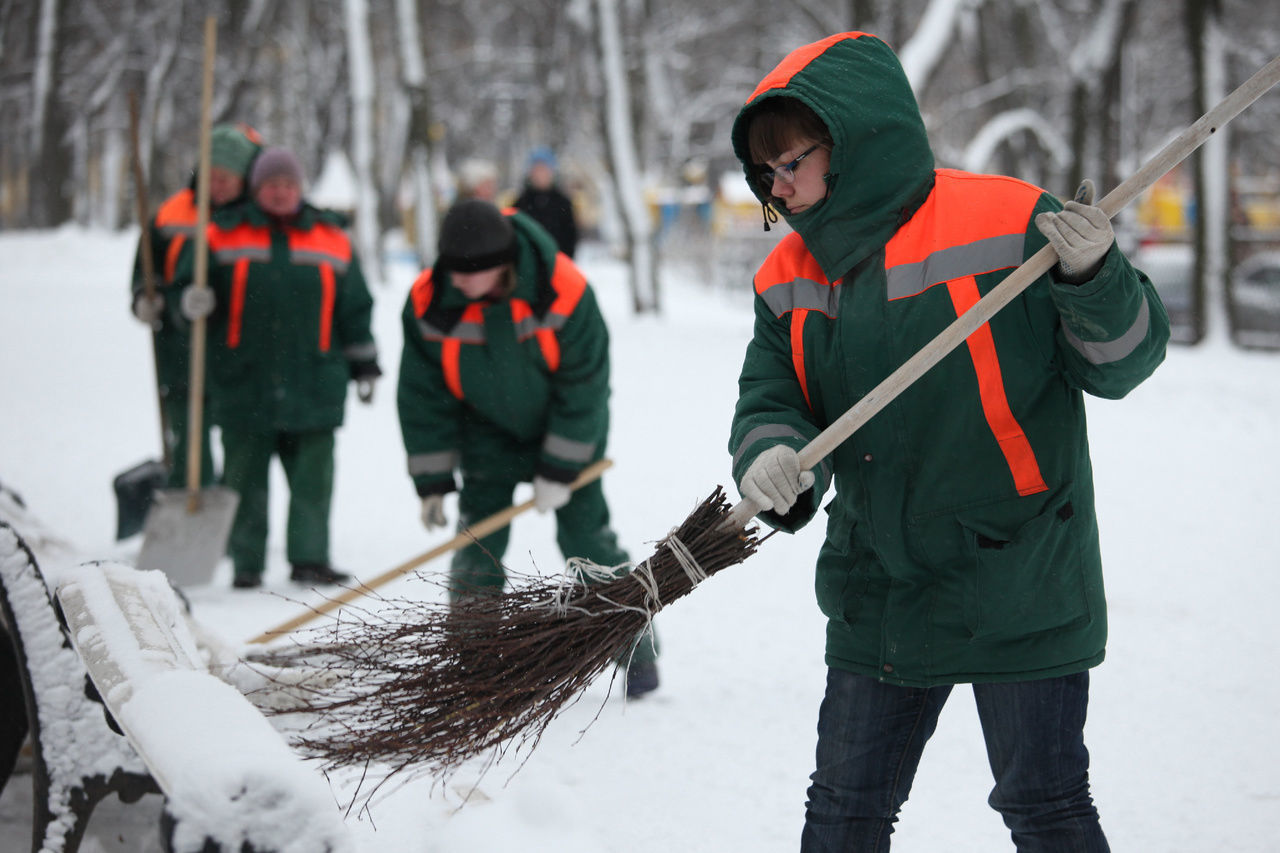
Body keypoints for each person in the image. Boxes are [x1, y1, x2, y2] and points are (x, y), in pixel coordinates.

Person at [727, 32, 1170, 851]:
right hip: (881, 580)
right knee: (841, 813)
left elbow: (1123, 364)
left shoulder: (1006, 221)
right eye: (767, 174)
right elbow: (773, 392)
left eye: (794, 161)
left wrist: (1095, 278)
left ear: (854, 141)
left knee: (1045, 806)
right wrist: (769, 453)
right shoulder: (786, 275)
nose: (781, 188)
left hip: (1020, 565)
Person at [396, 198, 659, 698]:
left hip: (565, 429)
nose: (460, 283)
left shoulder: (564, 290)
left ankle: (635, 650)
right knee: (476, 547)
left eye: (473, 273)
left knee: (588, 542)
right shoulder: (431, 300)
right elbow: (421, 393)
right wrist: (430, 480)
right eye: (453, 270)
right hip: (486, 432)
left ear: (505, 261)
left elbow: (585, 385)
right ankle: (472, 661)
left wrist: (560, 469)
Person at [177, 146, 381, 590]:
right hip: (243, 379)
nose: (281, 192)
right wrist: (191, 302)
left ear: (300, 188)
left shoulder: (331, 237)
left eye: (289, 184)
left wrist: (365, 364)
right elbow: (186, 290)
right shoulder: (220, 234)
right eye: (272, 185)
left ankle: (310, 559)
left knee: (313, 480)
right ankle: (247, 564)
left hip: (314, 380)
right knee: (244, 477)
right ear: (257, 189)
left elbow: (355, 308)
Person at [129, 123, 262, 487]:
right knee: (189, 437)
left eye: (227, 178)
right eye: (211, 175)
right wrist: (146, 297)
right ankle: (191, 498)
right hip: (180, 350)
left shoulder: (256, 217)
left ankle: (236, 520)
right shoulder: (171, 215)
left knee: (242, 445)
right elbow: (146, 269)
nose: (217, 185)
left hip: (237, 352)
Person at [513, 146, 579, 259]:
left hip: (557, 263)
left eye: (543, 169)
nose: (540, 174)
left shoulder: (563, 203)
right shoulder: (520, 203)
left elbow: (570, 237)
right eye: (537, 169)